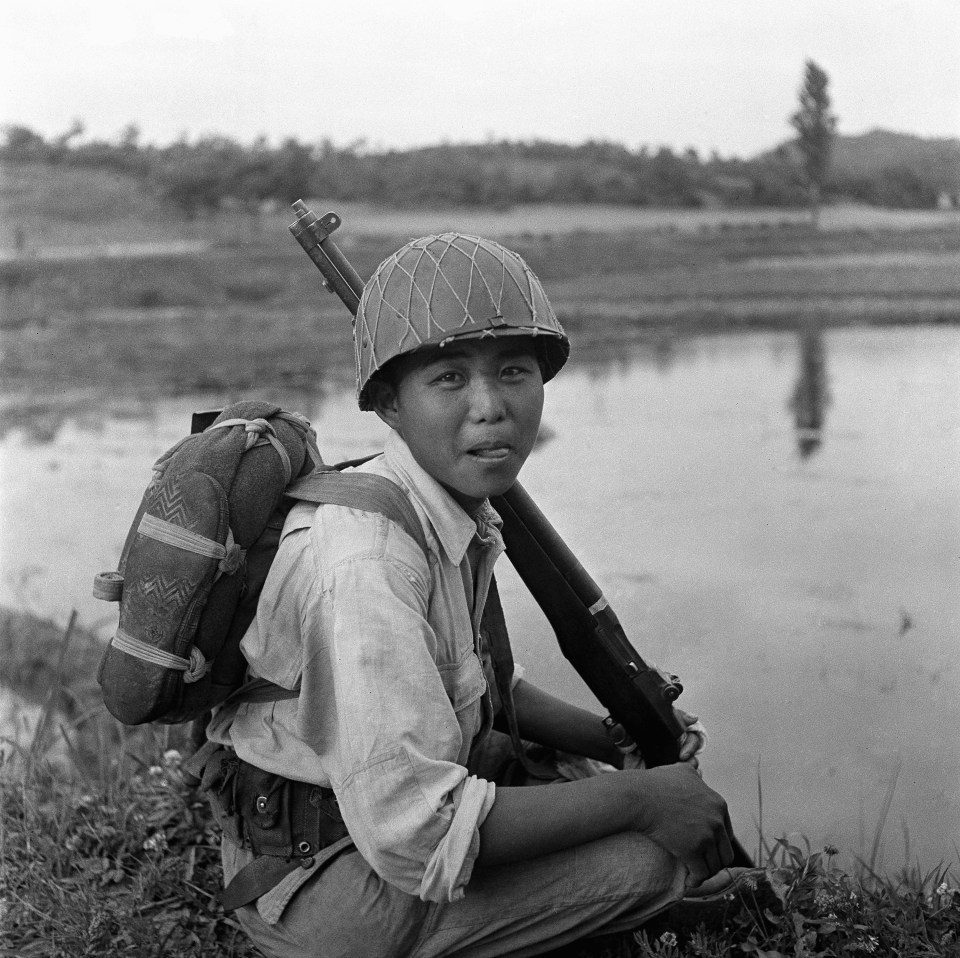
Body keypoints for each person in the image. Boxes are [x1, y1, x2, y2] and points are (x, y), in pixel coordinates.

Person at [204, 232, 736, 957]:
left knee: (575, 778)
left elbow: (475, 678)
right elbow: (415, 837)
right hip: (322, 883)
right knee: (653, 859)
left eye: (514, 371)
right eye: (449, 379)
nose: (492, 407)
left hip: (344, 830)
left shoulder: (439, 505)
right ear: (389, 405)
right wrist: (644, 797)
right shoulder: (368, 558)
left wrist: (609, 739)